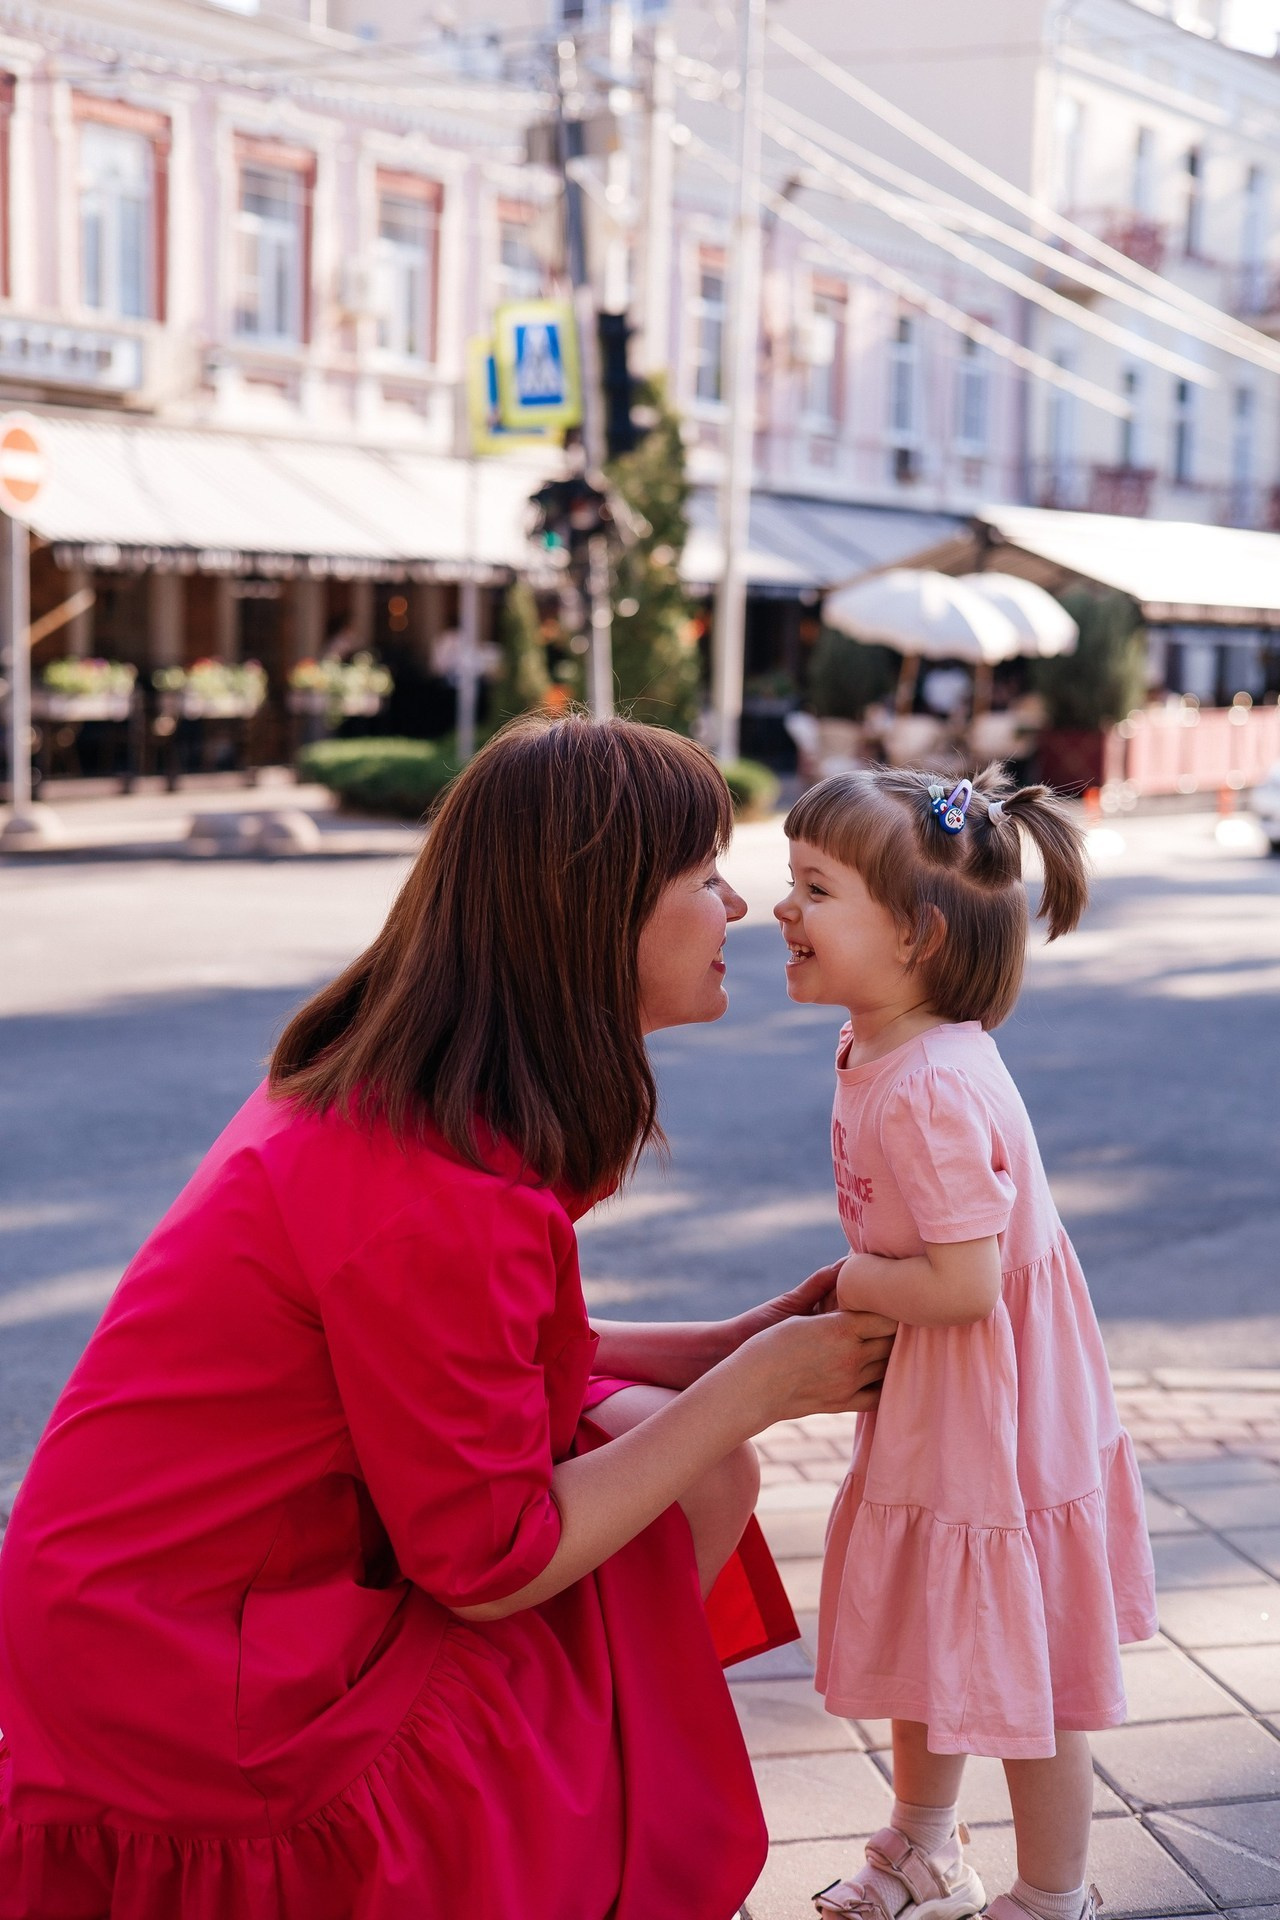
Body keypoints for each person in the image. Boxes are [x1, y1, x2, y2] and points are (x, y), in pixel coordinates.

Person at [0, 715, 894, 1920]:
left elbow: (450, 1356)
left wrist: (724, 1347)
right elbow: (488, 1560)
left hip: (166, 1599)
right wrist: (755, 1386)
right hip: (198, 1673)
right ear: (591, 912)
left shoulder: (394, 1100)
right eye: (701, 875)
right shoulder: (430, 1191)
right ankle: (584, 1828)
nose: (735, 907)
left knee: (680, 1458)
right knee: (683, 1476)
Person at [773, 767, 1157, 1920]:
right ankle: (923, 1846)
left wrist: (847, 1280)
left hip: (995, 1407)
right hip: (948, 1395)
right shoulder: (879, 1043)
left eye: (813, 888)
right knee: (929, 1619)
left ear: (914, 937)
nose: (780, 908)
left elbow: (963, 1282)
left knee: (1026, 1661)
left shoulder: (929, 1085)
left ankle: (1053, 1896)